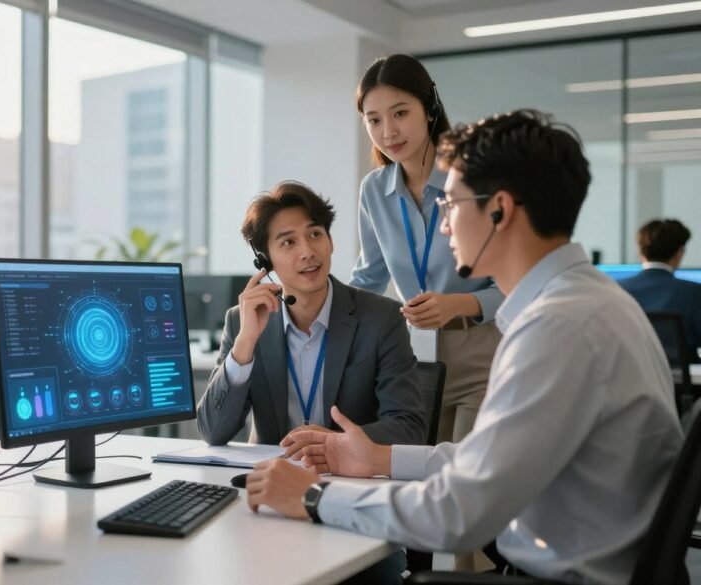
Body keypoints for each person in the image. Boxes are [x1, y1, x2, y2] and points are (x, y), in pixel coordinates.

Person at [248, 110, 684, 585]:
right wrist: (379, 459)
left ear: (499, 210)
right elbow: (489, 461)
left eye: (450, 205)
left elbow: (456, 514)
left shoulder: (559, 328)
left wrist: (314, 498)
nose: (443, 226)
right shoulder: (584, 303)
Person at [196, 180, 426, 449]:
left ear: (330, 242)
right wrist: (245, 344)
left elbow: (409, 427)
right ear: (265, 261)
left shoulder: (381, 318)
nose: (307, 252)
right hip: (273, 478)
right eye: (289, 242)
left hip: (348, 480)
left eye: (315, 234)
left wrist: (334, 443)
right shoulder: (241, 323)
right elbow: (212, 432)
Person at [348, 54, 503, 450]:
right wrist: (311, 308)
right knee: (413, 479)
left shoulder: (471, 178)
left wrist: (459, 303)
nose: (388, 131)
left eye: (400, 113)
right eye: (374, 119)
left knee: (466, 484)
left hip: (479, 351)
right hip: (411, 360)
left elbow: (516, 283)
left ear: (429, 109)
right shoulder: (373, 190)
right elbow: (368, 278)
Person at [621, 218, 701, 363]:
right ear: (680, 253)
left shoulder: (616, 290)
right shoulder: (695, 293)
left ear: (640, 251)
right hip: (682, 384)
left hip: (631, 380)